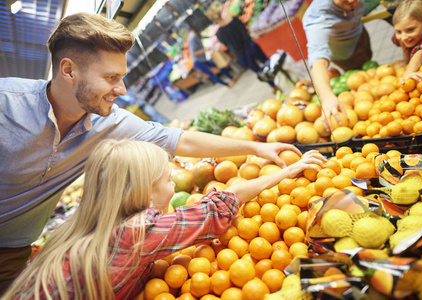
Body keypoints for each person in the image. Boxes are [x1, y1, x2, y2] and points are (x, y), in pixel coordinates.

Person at [0, 12, 303, 294]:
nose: (122, 90)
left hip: (15, 251)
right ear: (68, 70)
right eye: (110, 78)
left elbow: (180, 141)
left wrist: (256, 147)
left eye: (121, 77)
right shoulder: (6, 106)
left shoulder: (109, 120)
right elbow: (212, 211)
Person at [1, 139, 326, 299]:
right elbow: (217, 208)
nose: (174, 184)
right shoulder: (137, 234)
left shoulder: (79, 229)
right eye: (167, 179)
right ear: (144, 192)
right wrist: (287, 172)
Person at [302, 0, 372, 131]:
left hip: (359, 33)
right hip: (346, 55)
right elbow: (318, 61)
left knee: (369, 59)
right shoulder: (318, 17)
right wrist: (327, 97)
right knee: (362, 74)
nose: (351, 1)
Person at [205, 2, 279, 93]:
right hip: (251, 46)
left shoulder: (219, 33)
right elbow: (245, 29)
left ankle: (274, 86)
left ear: (212, 19)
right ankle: (281, 78)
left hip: (241, 54)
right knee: (268, 63)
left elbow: (226, 46)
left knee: (259, 70)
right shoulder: (234, 20)